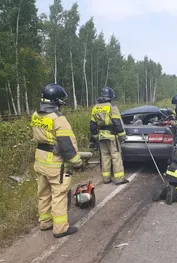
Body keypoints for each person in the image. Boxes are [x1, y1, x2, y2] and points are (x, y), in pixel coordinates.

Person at [30, 83, 82, 238]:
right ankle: (60, 228)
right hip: (55, 163)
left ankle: (45, 223)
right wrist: (76, 162)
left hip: (40, 160)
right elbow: (66, 145)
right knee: (59, 195)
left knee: (43, 193)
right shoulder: (58, 118)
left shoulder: (35, 115)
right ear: (56, 101)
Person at [90, 86, 129, 185]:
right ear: (110, 96)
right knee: (116, 156)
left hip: (101, 136)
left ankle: (106, 178)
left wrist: (95, 136)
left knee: (105, 157)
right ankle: (119, 179)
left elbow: (92, 124)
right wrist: (122, 135)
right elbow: (117, 122)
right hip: (112, 136)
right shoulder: (112, 107)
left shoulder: (95, 108)